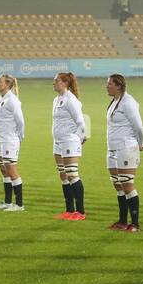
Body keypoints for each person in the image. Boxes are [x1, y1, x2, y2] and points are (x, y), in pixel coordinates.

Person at [105, 74, 143, 231]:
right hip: (113, 149)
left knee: (127, 184)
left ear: (119, 86)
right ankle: (122, 221)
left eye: (109, 84)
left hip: (126, 147)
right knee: (118, 185)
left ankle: (134, 223)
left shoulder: (128, 102)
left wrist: (141, 144)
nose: (107, 86)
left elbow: (139, 127)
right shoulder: (115, 101)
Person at [51, 72, 87, 220]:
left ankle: (80, 211)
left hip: (69, 141)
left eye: (56, 81)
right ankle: (69, 209)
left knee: (72, 174)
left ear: (64, 83)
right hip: (58, 142)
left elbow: (81, 121)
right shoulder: (57, 99)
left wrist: (80, 138)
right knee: (63, 175)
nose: (53, 83)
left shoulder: (71, 100)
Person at [0, 74, 26, 211]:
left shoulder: (13, 100)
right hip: (0, 139)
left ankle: (19, 204)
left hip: (9, 140)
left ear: (7, 84)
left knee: (11, 171)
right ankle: (7, 201)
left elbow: (20, 121)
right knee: (3, 170)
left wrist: (19, 137)